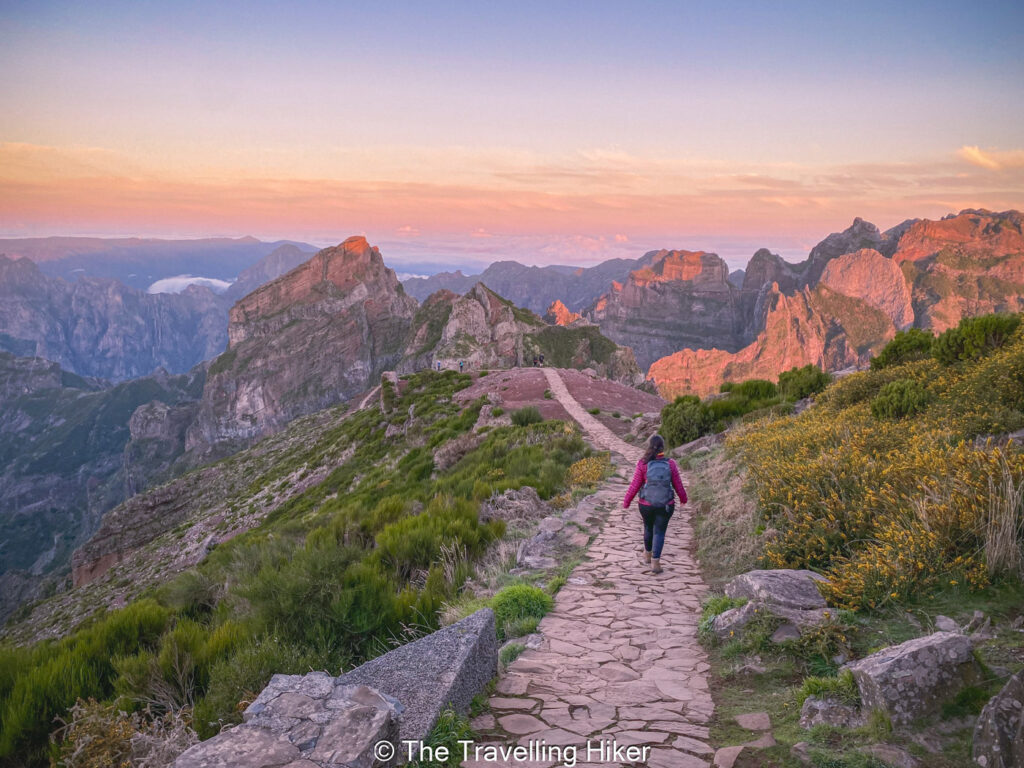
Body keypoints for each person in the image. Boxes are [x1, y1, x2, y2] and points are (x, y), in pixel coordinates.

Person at [622, 434, 687, 574]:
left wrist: (627, 501)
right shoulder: (670, 464)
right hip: (665, 505)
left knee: (648, 527)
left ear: (649, 446)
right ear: (663, 447)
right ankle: (655, 563)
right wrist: (683, 498)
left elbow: (635, 485)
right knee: (660, 532)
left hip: (646, 505)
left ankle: (647, 555)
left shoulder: (643, 464)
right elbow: (678, 484)